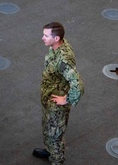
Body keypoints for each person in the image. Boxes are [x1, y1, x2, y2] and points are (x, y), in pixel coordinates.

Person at [32, 22, 84, 165]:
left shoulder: (63, 59)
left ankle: (57, 160)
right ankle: (49, 151)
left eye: (46, 35)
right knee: (48, 129)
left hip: (56, 105)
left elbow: (78, 85)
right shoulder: (56, 46)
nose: (42, 38)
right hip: (49, 98)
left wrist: (66, 99)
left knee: (55, 136)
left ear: (56, 38)